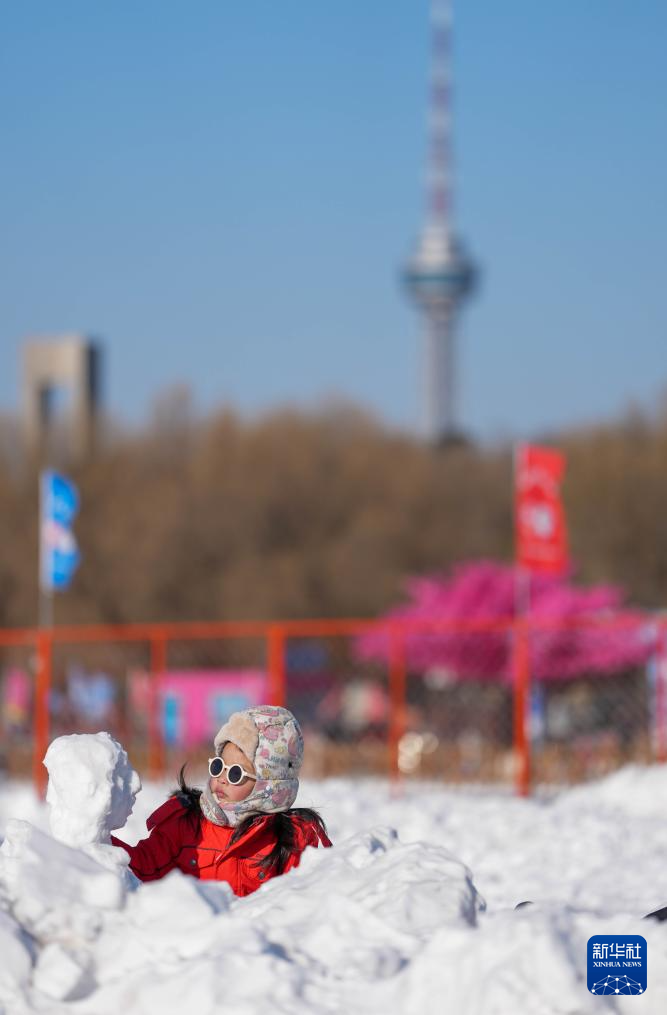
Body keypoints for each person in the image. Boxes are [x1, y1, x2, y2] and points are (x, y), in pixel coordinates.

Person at [111, 705, 331, 896]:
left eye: (235, 773)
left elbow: (311, 899)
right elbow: (140, 867)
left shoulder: (291, 838)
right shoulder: (185, 824)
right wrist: (99, 841)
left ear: (268, 784)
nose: (222, 779)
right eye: (218, 766)